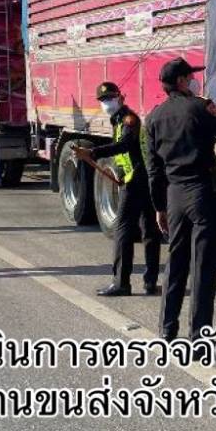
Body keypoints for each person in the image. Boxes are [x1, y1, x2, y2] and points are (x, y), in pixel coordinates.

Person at [145, 57, 216, 340]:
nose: (195, 81)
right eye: (191, 77)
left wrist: (160, 207)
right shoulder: (201, 107)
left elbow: (154, 171)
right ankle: (198, 338)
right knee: (203, 268)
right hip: (203, 195)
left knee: (175, 264)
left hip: (174, 196)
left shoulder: (154, 117)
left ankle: (166, 330)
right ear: (181, 81)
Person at [72, 82, 161, 297]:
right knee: (149, 231)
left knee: (123, 231)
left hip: (137, 181)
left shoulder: (129, 120)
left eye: (110, 98)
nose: (106, 103)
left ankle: (122, 283)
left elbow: (125, 145)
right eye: (103, 100)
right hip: (141, 179)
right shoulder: (119, 120)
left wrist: (92, 152)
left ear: (120, 97)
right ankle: (150, 282)